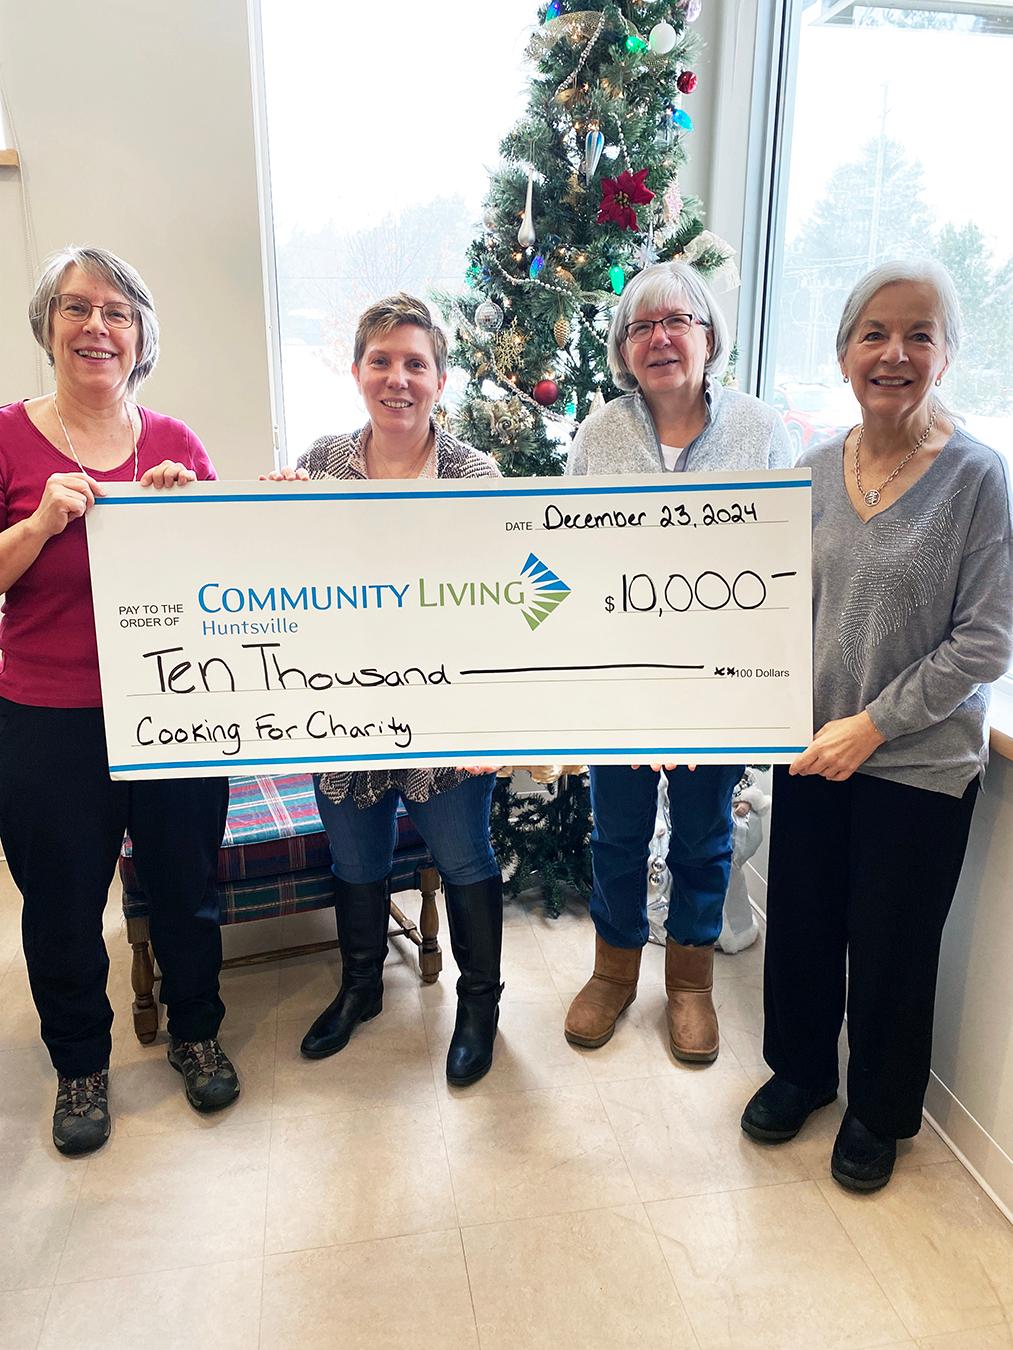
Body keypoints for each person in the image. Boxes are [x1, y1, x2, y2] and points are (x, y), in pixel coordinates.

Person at [741, 260, 1013, 1191]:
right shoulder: (811, 471)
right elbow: (768, 610)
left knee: (894, 949)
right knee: (804, 925)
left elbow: (986, 641)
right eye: (873, 333)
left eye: (917, 334)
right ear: (844, 352)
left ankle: (878, 1112)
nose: (893, 353)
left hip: (917, 764)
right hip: (811, 751)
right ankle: (801, 1073)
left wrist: (873, 725)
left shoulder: (976, 477)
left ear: (946, 355)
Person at [0, 246, 239, 1156]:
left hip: (176, 709)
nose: (96, 326)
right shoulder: (7, 437)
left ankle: (195, 1032)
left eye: (117, 312)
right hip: (48, 715)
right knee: (61, 906)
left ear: (141, 336)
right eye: (76, 307)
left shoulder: (177, 442)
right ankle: (81, 1067)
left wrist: (184, 519)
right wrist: (38, 523)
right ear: (47, 324)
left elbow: (222, 586)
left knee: (187, 888)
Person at [267, 293, 504, 1087]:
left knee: (463, 858)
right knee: (355, 856)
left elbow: (505, 601)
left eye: (414, 364)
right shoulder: (321, 463)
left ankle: (479, 1007)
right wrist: (270, 515)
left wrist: (493, 721)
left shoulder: (474, 475)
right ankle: (361, 987)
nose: (397, 378)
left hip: (446, 710)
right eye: (381, 361)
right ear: (357, 371)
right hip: (342, 704)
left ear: (440, 379)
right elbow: (285, 580)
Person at [563, 260, 792, 1062]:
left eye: (676, 322)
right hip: (620, 682)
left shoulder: (760, 430)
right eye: (641, 326)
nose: (658, 339)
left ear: (707, 335)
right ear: (624, 347)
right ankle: (613, 971)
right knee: (617, 836)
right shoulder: (598, 434)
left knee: (703, 837)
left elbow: (783, 562)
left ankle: (690, 983)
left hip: (716, 687)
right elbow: (568, 552)